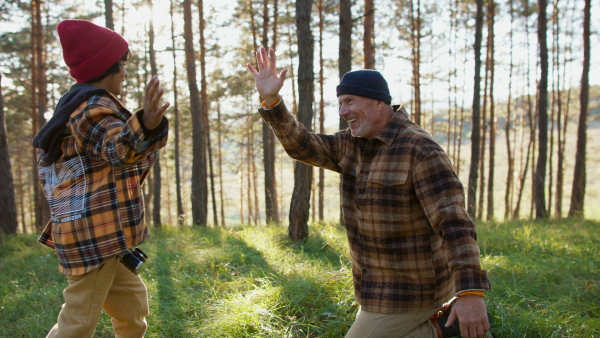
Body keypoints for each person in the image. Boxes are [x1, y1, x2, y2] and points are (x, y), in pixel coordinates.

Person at [247, 48, 492, 338]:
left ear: (379, 102)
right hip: (374, 289)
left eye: (350, 101)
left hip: (411, 291)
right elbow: (302, 144)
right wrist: (272, 101)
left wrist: (470, 292)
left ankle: (439, 329)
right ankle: (440, 328)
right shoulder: (352, 143)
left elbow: (454, 223)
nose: (342, 112)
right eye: (340, 103)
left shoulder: (420, 150)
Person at [32, 20, 169, 338]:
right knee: (78, 321)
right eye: (122, 65)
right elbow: (117, 149)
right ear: (106, 67)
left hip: (107, 238)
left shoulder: (83, 105)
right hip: (94, 239)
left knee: (132, 306)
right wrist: (146, 124)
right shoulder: (91, 109)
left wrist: (147, 127)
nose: (125, 72)